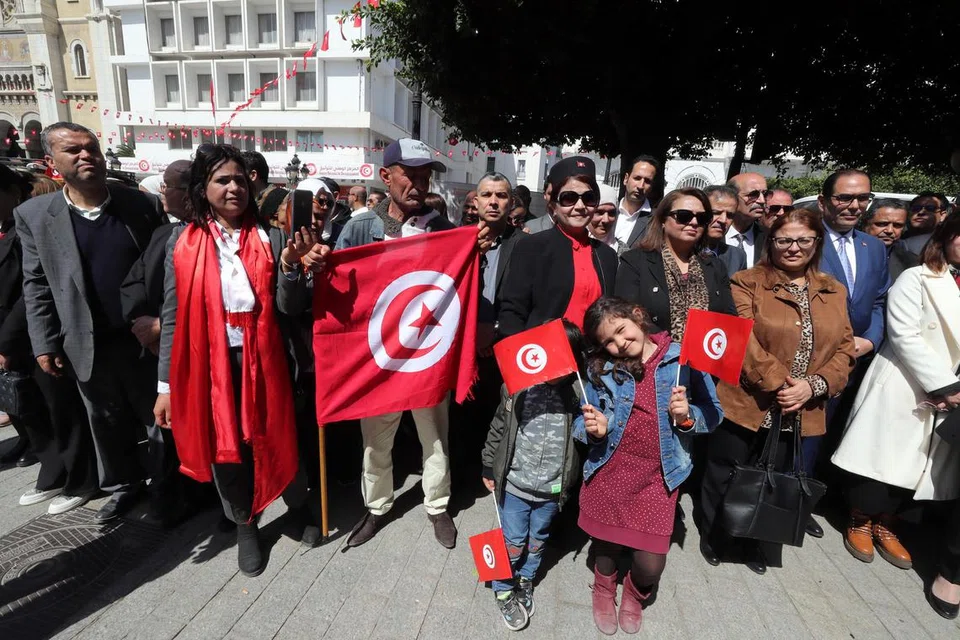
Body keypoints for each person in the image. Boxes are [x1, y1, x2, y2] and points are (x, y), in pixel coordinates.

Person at [154, 144, 323, 576]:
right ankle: (245, 525)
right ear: (202, 188)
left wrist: (290, 266)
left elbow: (290, 306)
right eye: (222, 180)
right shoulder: (182, 242)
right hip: (211, 367)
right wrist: (165, 387)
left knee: (282, 437)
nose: (234, 188)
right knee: (227, 450)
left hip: (269, 361)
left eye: (240, 179)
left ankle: (297, 507)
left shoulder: (272, 235)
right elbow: (172, 316)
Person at [332, 138, 491, 550]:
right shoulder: (360, 227)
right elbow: (338, 287)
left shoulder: (444, 230)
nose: (419, 184)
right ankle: (377, 506)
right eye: (411, 175)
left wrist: (475, 253)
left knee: (435, 436)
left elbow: (461, 288)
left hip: (427, 354)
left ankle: (437, 506)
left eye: (425, 176)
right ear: (386, 176)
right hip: (379, 356)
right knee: (375, 440)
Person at [15, 122, 165, 523]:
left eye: (92, 147)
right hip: (85, 342)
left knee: (157, 417)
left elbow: (166, 270)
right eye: (73, 150)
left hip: (144, 338)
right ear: (51, 162)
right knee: (105, 421)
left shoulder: (142, 206)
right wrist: (44, 342)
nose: (86, 156)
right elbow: (36, 284)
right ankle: (123, 487)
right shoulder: (35, 215)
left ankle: (167, 487)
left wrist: (161, 321)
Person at [699, 208, 856, 575]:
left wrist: (812, 387)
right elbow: (740, 339)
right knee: (726, 470)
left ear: (817, 243)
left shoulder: (833, 290)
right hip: (748, 398)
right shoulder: (746, 281)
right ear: (771, 242)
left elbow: (846, 349)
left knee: (772, 476)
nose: (793, 248)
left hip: (799, 407)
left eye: (803, 240)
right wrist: (779, 383)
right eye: (784, 240)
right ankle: (715, 535)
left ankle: (754, 539)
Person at [578, 296, 722, 635]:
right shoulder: (603, 367)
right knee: (606, 546)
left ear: (637, 316)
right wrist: (595, 429)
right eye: (607, 341)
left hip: (658, 476)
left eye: (620, 330)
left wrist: (686, 417)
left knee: (649, 564)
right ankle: (603, 586)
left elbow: (713, 412)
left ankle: (635, 591)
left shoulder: (683, 358)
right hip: (612, 468)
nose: (618, 344)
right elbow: (582, 418)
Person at [832, 215, 960, 575]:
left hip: (951, 394)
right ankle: (860, 519)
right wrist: (946, 386)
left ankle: (888, 524)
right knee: (882, 457)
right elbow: (905, 335)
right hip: (908, 382)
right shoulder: (916, 277)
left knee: (920, 464)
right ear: (947, 236)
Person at [0, 164, 98, 515]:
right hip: (17, 340)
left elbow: (31, 292)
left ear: (13, 194)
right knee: (30, 410)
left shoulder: (24, 230)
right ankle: (53, 469)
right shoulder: (7, 229)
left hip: (33, 336)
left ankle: (81, 478)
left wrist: (6, 342)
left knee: (60, 411)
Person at [481, 320, 586, 632]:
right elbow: (499, 426)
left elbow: (586, 436)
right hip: (516, 484)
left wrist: (593, 425)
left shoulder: (578, 394)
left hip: (552, 489)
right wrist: (488, 464)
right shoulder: (519, 387)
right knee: (512, 541)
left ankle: (525, 578)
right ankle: (503, 588)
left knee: (538, 539)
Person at [811, 169, 891, 537]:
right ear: (824, 201)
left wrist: (870, 340)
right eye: (844, 197)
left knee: (835, 432)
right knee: (805, 433)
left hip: (856, 359)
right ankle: (794, 500)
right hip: (813, 357)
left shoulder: (873, 247)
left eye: (862, 198)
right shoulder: (805, 240)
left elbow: (878, 301)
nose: (854, 205)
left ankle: (818, 497)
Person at [119, 159, 193, 525]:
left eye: (170, 186)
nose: (163, 192)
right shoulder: (163, 233)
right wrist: (140, 323)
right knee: (163, 432)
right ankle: (168, 497)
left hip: (191, 349)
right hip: (155, 350)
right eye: (162, 185)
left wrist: (163, 326)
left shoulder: (209, 238)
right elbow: (133, 281)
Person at [498, 155, 618, 336]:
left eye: (589, 198)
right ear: (553, 206)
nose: (580, 206)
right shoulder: (531, 248)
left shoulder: (607, 255)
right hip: (541, 350)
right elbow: (512, 314)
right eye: (569, 198)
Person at [614, 188, 735, 342]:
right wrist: (672, 349)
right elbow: (628, 316)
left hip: (705, 353)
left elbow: (729, 319)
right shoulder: (635, 262)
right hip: (655, 352)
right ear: (663, 220)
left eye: (702, 218)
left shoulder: (716, 266)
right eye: (684, 216)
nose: (694, 222)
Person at [859, 198, 918, 281]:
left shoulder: (911, 262)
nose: (889, 230)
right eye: (882, 224)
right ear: (866, 225)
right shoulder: (848, 253)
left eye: (897, 225)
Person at [726, 172, 770, 268]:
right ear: (732, 197)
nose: (762, 200)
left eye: (765, 194)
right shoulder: (711, 234)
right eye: (753, 195)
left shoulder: (769, 237)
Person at [615, 156, 660, 249]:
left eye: (647, 181)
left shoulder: (656, 221)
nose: (640, 186)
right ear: (626, 179)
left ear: (652, 186)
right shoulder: (608, 211)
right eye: (637, 178)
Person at [703, 185, 748, 277]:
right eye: (716, 213)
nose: (723, 220)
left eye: (730, 215)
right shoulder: (682, 251)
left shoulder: (737, 257)